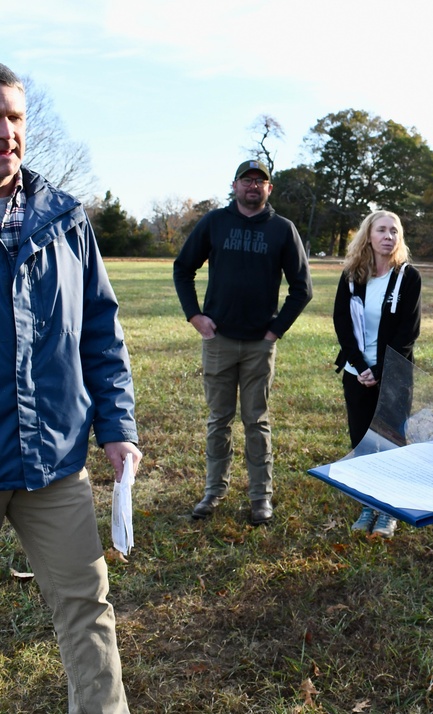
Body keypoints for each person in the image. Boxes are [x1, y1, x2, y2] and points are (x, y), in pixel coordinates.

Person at [0, 62, 142, 713]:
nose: (7, 132)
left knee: (87, 607)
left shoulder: (64, 219)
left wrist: (116, 427)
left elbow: (101, 336)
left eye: (15, 118)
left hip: (52, 459)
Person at [174, 159, 312, 526]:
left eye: (260, 181)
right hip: (218, 340)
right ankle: (213, 491)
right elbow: (183, 267)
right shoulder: (215, 223)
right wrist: (194, 315)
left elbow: (303, 289)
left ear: (269, 190)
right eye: (246, 180)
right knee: (218, 420)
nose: (253, 186)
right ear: (234, 185)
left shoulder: (282, 230)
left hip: (259, 345)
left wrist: (275, 330)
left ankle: (260, 497)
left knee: (257, 422)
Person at [333, 210, 421, 539]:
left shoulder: (407, 277)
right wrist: (360, 365)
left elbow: (407, 331)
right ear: (368, 235)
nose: (388, 236)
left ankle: (388, 510)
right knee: (362, 440)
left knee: (391, 439)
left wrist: (381, 371)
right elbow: (342, 322)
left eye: (394, 231)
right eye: (381, 230)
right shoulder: (353, 274)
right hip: (357, 372)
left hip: (394, 374)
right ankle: (368, 502)